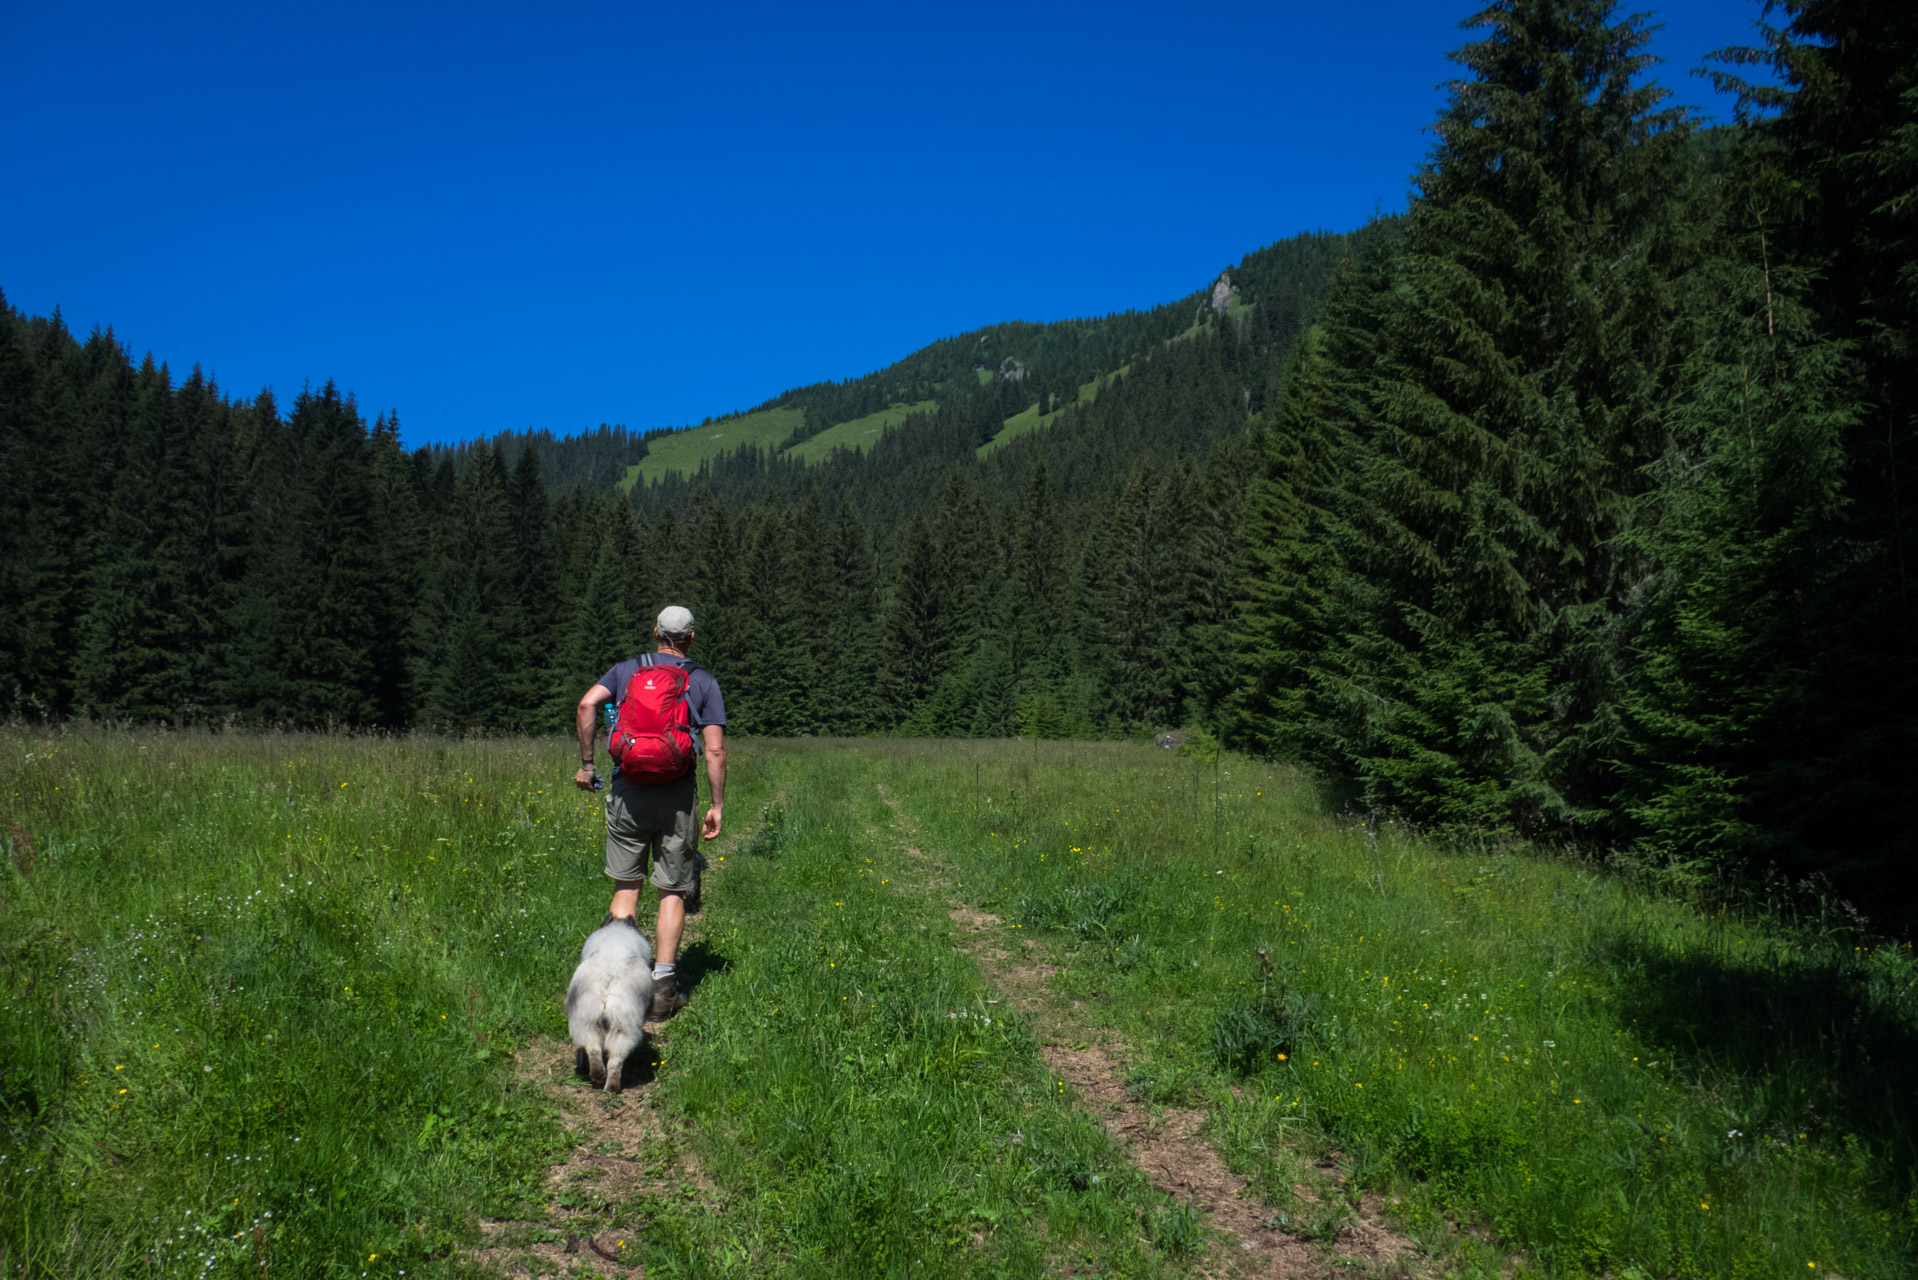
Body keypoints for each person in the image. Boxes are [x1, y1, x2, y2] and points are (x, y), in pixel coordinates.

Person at [575, 605, 726, 1019]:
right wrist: (716, 804)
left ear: (655, 632)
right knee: (671, 890)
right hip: (677, 795)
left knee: (627, 886)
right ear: (691, 638)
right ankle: (662, 990)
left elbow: (588, 705)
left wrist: (588, 766)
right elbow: (714, 749)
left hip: (628, 790)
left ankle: (615, 983)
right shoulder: (703, 681)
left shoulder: (625, 671)